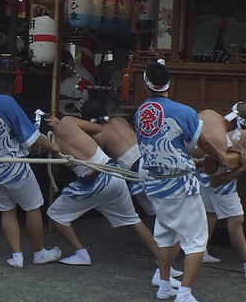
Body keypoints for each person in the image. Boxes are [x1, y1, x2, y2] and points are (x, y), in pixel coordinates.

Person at [134, 60, 231, 302]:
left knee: (165, 235)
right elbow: (202, 142)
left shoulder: (140, 111)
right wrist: (220, 157)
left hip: (155, 183)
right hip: (179, 184)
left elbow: (168, 142)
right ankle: (185, 293)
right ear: (169, 83)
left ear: (146, 83)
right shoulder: (182, 111)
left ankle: (165, 285)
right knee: (197, 239)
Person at [0, 56, 62, 267]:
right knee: (32, 207)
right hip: (14, 168)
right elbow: (31, 137)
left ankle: (17, 255)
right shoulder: (4, 101)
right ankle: (39, 253)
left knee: (7, 210)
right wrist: (53, 146)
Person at [75, 97, 182, 288]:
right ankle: (164, 262)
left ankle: (163, 264)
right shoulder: (120, 121)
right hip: (149, 160)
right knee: (161, 214)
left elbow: (92, 155)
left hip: (136, 170)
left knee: (159, 216)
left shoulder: (100, 134)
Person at [41, 112, 156, 269]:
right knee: (134, 221)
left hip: (95, 183)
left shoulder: (51, 147)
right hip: (114, 173)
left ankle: (81, 254)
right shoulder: (68, 122)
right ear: (49, 120)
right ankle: (164, 263)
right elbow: (97, 128)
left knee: (54, 215)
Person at [196, 102, 246, 281]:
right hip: (214, 179)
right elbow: (215, 181)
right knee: (236, 220)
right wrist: (242, 168)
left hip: (200, 176)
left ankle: (202, 251)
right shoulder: (221, 141)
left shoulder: (210, 112)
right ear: (245, 125)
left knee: (210, 213)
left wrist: (227, 150)